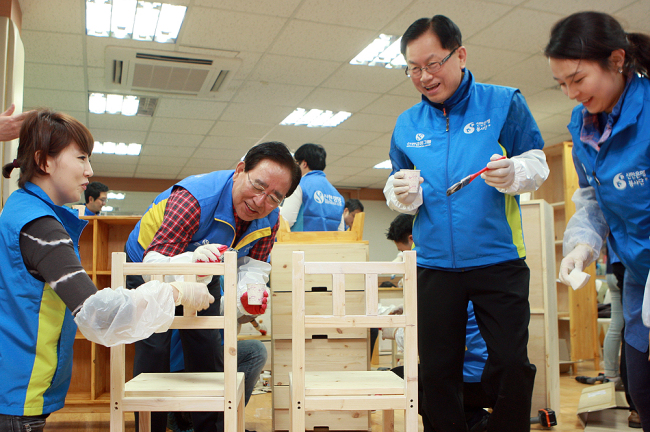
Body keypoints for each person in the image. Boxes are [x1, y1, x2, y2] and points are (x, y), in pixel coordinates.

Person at [384, 15, 549, 432]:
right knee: (437, 372)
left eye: (433, 63)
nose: (424, 76)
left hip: (499, 258)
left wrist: (515, 173)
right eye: (413, 69)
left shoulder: (503, 102)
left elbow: (537, 161)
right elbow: (398, 184)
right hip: (435, 264)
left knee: (511, 363)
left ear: (459, 54)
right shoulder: (407, 124)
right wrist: (401, 192)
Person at [0, 110, 213, 431]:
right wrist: (173, 291)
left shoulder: (21, 210)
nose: (89, 171)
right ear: (44, 161)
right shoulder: (39, 226)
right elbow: (97, 314)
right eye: (81, 158)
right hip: (15, 395)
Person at [124, 141, 301, 432]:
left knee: (206, 349)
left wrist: (250, 293)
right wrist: (188, 268)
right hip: (150, 263)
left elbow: (253, 267)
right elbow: (156, 264)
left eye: (274, 197)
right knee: (155, 348)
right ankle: (151, 428)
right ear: (240, 170)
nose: (261, 201)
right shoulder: (194, 199)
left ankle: (208, 428)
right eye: (258, 186)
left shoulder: (271, 219)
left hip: (206, 269)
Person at [544, 11, 650, 430]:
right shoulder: (584, 125)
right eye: (562, 84)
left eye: (578, 79)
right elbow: (593, 196)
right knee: (640, 389)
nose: (571, 92)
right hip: (638, 276)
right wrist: (583, 244)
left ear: (617, 60)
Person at [384, 213, 491, 431]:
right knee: (426, 379)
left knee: (399, 378)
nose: (402, 257)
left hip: (470, 379)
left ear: (413, 239)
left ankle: (472, 420)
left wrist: (394, 332)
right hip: (488, 375)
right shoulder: (462, 274)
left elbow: (431, 336)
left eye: (401, 251)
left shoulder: (432, 272)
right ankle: (472, 419)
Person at [279, 143, 344, 231]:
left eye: (296, 163)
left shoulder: (299, 185)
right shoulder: (337, 195)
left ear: (304, 164)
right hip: (329, 244)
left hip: (301, 243)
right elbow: (340, 230)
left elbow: (286, 222)